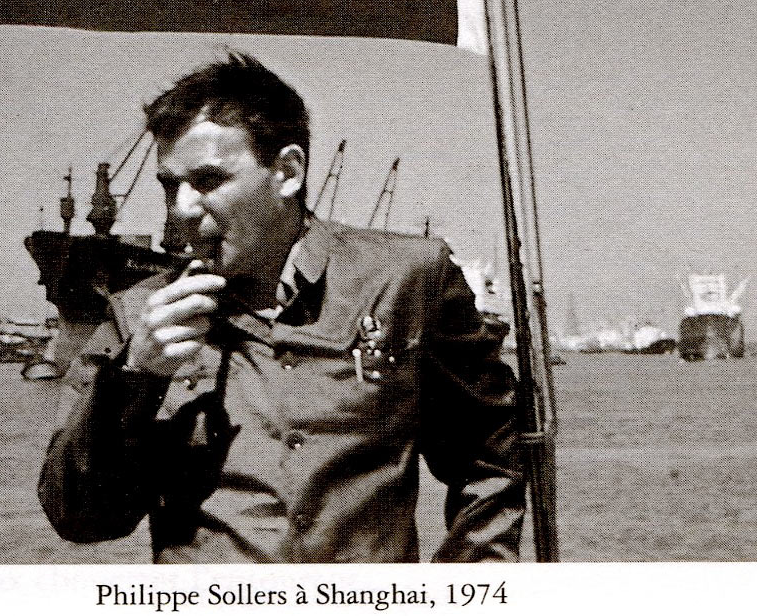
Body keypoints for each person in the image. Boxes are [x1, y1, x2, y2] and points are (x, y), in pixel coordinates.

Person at [39, 52, 525, 562]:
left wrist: (465, 585)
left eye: (207, 180)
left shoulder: (407, 279)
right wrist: (135, 379)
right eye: (169, 184)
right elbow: (80, 518)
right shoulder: (139, 317)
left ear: (287, 172)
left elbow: (492, 458)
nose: (180, 208)